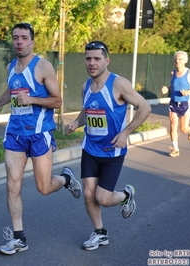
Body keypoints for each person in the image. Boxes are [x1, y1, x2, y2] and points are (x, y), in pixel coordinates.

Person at [0, 22, 82, 255]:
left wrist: (33, 100)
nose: (19, 42)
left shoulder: (43, 67)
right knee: (12, 183)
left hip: (39, 134)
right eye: (15, 37)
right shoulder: (10, 67)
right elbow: (12, 91)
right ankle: (19, 238)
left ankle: (66, 180)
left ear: (32, 41)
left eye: (24, 38)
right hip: (15, 134)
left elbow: (58, 101)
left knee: (44, 187)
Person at [65, 41, 151, 251]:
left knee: (102, 198)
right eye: (88, 59)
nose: (92, 63)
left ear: (106, 60)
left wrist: (126, 132)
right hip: (90, 149)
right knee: (88, 194)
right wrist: (77, 122)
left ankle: (125, 196)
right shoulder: (85, 86)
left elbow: (145, 107)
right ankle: (100, 232)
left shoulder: (118, 84)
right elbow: (88, 110)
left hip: (113, 151)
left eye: (97, 59)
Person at [161, 51, 190, 158]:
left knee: (183, 129)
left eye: (180, 59)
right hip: (173, 103)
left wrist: (188, 92)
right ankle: (175, 149)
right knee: (173, 125)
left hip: (185, 104)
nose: (177, 61)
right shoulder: (173, 73)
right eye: (176, 59)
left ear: (185, 61)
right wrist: (167, 89)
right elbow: (173, 85)